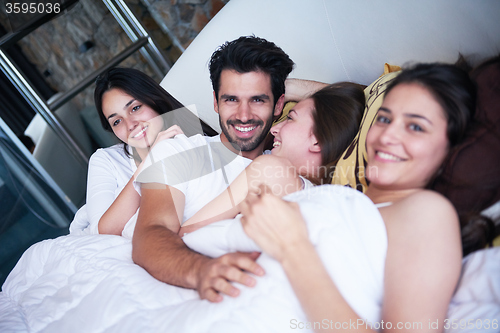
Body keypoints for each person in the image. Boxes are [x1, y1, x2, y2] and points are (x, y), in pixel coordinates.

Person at [236, 63, 477, 332]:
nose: (388, 135)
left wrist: (293, 247)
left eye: (416, 127)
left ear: (449, 147)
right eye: (384, 119)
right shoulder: (336, 194)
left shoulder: (428, 212)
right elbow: (349, 104)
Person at [132, 36, 294, 302]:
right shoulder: (178, 152)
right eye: (231, 99)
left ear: (279, 105)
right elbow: (150, 234)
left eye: (258, 100)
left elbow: (352, 102)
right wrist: (202, 270)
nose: (243, 115)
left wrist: (291, 87)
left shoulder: (286, 159)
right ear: (216, 103)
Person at [178, 82, 365, 235]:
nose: (275, 129)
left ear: (318, 140)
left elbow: (187, 235)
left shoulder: (271, 170)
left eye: (290, 118)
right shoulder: (323, 197)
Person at [70, 67, 210, 236]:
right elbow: (103, 232)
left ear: (154, 100)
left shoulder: (192, 135)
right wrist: (150, 161)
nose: (130, 125)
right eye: (117, 122)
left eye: (135, 108)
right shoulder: (106, 160)